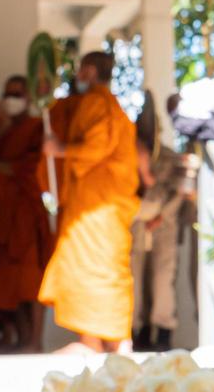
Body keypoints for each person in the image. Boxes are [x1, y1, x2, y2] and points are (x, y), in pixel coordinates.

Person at [38, 52, 139, 353]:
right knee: (84, 266)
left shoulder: (99, 103)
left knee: (100, 269)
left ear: (91, 71)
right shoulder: (99, 102)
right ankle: (91, 341)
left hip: (101, 206)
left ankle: (119, 341)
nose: (78, 75)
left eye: (81, 69)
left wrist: (60, 149)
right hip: (93, 203)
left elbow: (97, 146)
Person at [0, 76, 51, 352]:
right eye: (7, 94)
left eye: (16, 94)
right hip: (0, 217)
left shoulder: (36, 128)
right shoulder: (1, 131)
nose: (11, 99)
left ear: (28, 99)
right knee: (7, 284)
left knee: (30, 281)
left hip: (25, 216)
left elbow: (32, 169)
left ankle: (34, 341)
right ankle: (18, 338)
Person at [130, 92, 193, 353]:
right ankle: (138, 330)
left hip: (164, 227)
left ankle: (164, 332)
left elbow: (177, 191)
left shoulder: (169, 158)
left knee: (162, 278)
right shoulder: (129, 156)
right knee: (135, 280)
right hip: (136, 225)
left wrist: (161, 216)